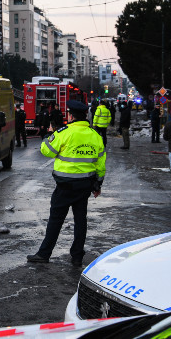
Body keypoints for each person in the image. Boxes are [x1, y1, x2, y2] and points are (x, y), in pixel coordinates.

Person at [27, 99, 105, 266]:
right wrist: (98, 184)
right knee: (80, 220)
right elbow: (101, 163)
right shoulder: (95, 135)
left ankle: (44, 254)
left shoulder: (64, 132)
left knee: (56, 220)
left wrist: (49, 134)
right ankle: (77, 256)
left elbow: (46, 151)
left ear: (71, 116)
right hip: (85, 185)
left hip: (65, 185)